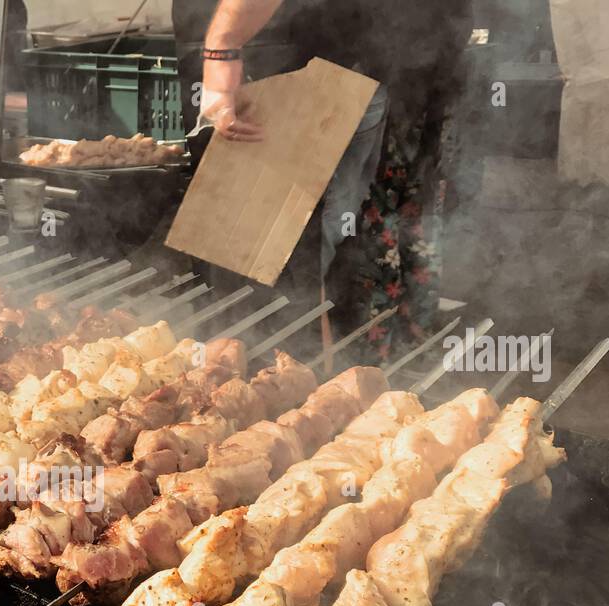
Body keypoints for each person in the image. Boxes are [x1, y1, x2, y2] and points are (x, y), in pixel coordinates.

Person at [179, 0, 469, 355]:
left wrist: (221, 48)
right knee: (388, 216)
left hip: (340, 68)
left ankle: (333, 372)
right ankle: (390, 356)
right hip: (418, 60)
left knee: (309, 249)